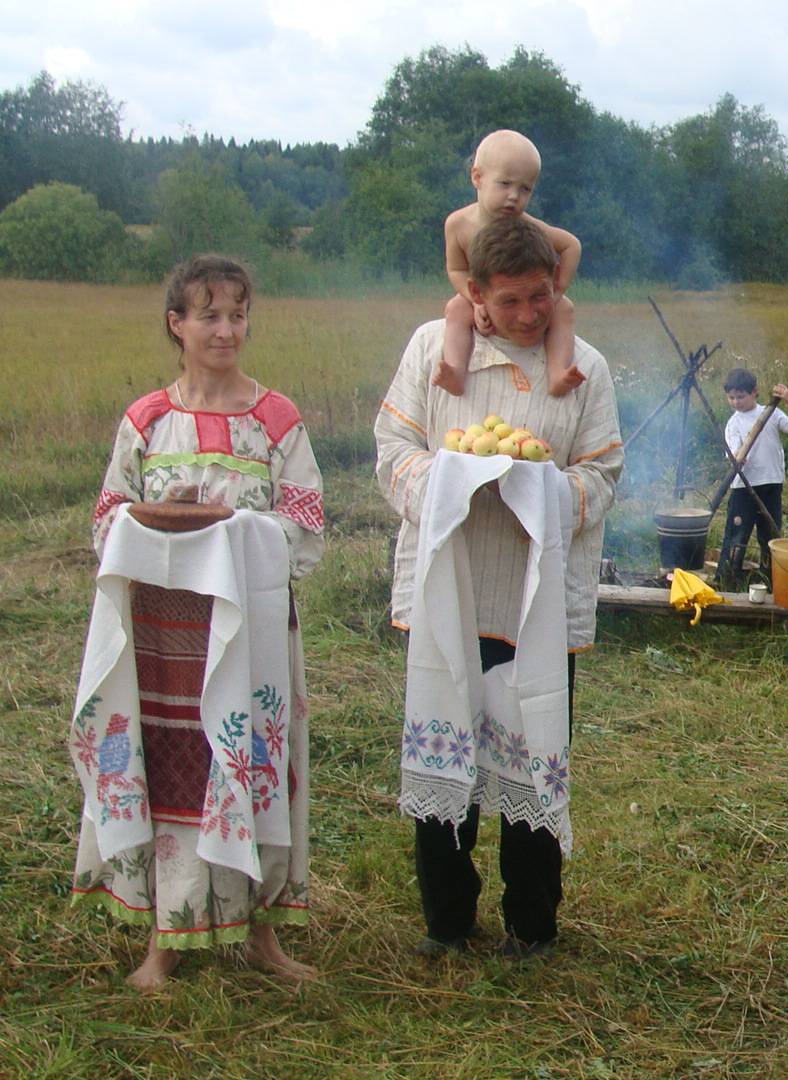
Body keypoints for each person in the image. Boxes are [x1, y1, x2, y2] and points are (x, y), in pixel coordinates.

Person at [73, 254, 325, 991]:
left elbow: (306, 525)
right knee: (169, 769)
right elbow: (105, 520)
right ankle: (166, 938)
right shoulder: (147, 420)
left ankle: (263, 937)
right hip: (160, 639)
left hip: (248, 636)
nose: (226, 329)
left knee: (254, 766)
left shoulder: (276, 419)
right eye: (209, 315)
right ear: (176, 325)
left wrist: (233, 530)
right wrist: (161, 516)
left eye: (238, 314)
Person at [374, 215, 624, 958]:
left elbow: (603, 473)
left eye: (539, 298)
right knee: (446, 745)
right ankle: (447, 921)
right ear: (476, 293)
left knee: (533, 751)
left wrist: (535, 492)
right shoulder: (433, 349)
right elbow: (392, 451)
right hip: (450, 588)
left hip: (537, 599)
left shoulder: (584, 367)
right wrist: (451, 482)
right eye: (510, 301)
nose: (527, 316)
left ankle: (533, 924)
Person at [432, 129, 585, 399]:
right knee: (455, 309)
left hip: (523, 298)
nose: (514, 196)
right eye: (505, 184)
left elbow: (571, 245)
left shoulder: (528, 226)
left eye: (524, 189)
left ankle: (558, 373)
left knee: (565, 310)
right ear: (477, 177)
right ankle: (455, 372)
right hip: (480, 295)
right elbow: (456, 270)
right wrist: (475, 301)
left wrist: (557, 292)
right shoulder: (458, 224)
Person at [717, 367, 788, 585]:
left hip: (771, 483)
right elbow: (735, 454)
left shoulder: (771, 413)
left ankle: (771, 578)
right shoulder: (733, 423)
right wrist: (738, 457)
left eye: (741, 397)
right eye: (731, 397)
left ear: (754, 392)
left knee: (770, 535)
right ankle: (728, 579)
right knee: (737, 535)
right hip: (743, 487)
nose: (736, 402)